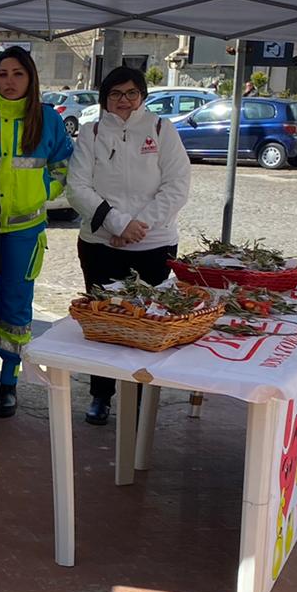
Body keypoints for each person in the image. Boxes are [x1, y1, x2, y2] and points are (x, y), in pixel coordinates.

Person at [65, 65, 192, 425]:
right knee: (106, 323)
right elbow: (77, 187)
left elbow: (177, 185)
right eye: (115, 94)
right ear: (105, 98)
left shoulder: (161, 130)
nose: (124, 101)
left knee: (149, 326)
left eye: (131, 93)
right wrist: (117, 223)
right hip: (101, 245)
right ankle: (101, 394)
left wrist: (139, 227)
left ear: (143, 96)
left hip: (154, 246)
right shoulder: (90, 133)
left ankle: (139, 398)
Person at [0, 47, 74, 419]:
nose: (9, 82)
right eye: (2, 75)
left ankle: (9, 384)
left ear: (30, 78)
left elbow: (64, 168)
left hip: (25, 232)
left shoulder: (47, 121)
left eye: (17, 74)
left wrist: (44, 192)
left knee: (15, 307)